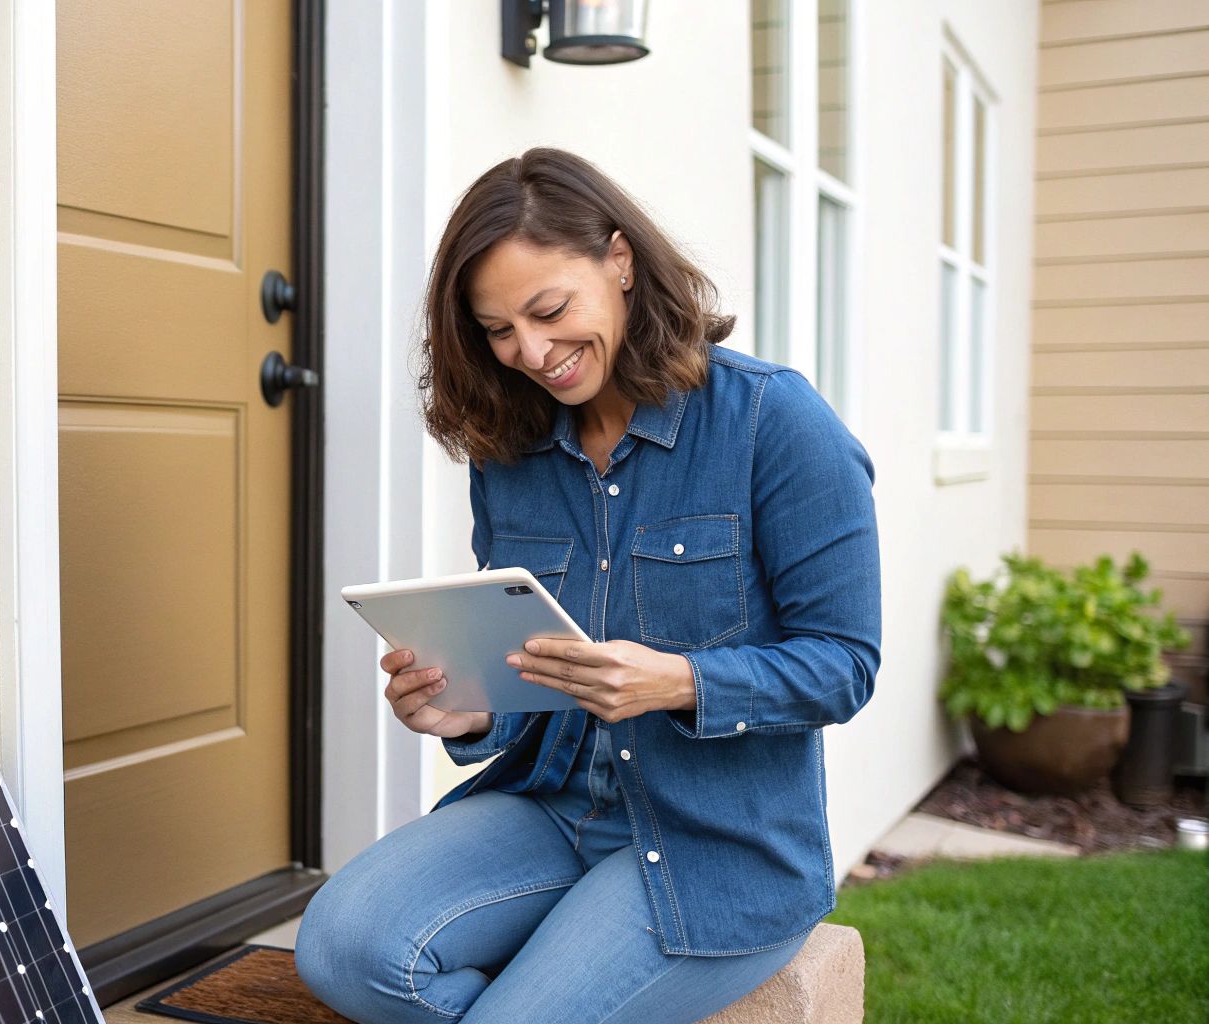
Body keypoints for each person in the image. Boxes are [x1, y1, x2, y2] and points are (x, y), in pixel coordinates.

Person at [293, 146, 883, 1024]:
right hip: (553, 806)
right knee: (341, 951)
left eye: (548, 309)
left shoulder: (771, 420)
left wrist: (678, 681)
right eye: (498, 330)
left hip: (714, 847)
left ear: (620, 261)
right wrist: (470, 709)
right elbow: (531, 661)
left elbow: (845, 664)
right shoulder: (511, 456)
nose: (530, 352)